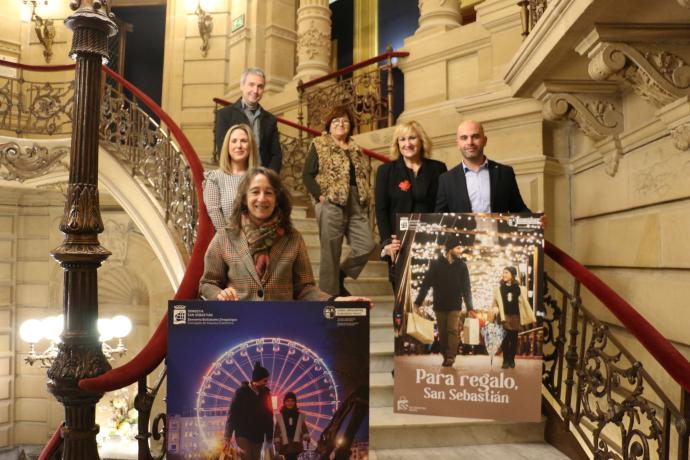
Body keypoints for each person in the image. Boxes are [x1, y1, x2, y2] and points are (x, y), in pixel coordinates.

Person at [199, 167, 372, 305]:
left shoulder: (293, 238)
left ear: (277, 198)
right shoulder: (225, 237)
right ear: (244, 198)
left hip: (281, 330)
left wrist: (334, 300)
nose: (262, 198)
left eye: (269, 192)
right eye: (255, 192)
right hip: (237, 330)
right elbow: (207, 283)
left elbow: (305, 289)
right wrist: (220, 294)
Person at [303, 106, 376, 296]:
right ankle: (329, 299)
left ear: (350, 125)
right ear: (329, 125)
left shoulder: (355, 148)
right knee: (330, 255)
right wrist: (320, 196)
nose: (340, 124)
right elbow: (307, 175)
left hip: (355, 203)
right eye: (336, 121)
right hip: (331, 202)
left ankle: (341, 275)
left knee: (366, 246)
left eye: (345, 121)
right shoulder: (319, 143)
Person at [375, 120, 447, 286]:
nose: (407, 144)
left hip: (430, 241)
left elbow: (442, 206)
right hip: (399, 244)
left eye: (412, 138)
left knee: (430, 295)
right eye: (402, 139)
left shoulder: (438, 169)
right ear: (397, 143)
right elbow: (381, 209)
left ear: (421, 141)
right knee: (403, 300)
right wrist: (386, 243)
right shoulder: (385, 171)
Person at [435, 120, 531, 213]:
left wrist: (536, 220)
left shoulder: (505, 173)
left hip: (496, 230)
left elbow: (519, 209)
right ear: (458, 144)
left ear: (485, 141)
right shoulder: (446, 180)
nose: (470, 142)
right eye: (464, 138)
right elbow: (440, 218)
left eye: (475, 137)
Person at [414, 234, 473, 367]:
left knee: (452, 329)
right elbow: (426, 283)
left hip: (455, 305)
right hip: (439, 305)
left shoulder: (462, 266)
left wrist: (470, 307)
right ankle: (445, 355)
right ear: (450, 249)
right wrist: (418, 301)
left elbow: (466, 287)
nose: (460, 250)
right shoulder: (436, 264)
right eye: (458, 248)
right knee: (442, 332)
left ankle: (451, 356)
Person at [215, 67, 282, 172]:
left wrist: (269, 178)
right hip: (235, 177)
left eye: (260, 86)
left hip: (261, 178)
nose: (255, 90)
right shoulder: (225, 115)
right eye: (251, 85)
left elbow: (276, 155)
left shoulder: (270, 120)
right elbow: (222, 150)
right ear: (242, 86)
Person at [204, 124, 257, 231]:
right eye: (234, 141)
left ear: (251, 145)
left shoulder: (260, 176)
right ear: (227, 146)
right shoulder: (215, 177)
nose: (239, 145)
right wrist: (231, 244)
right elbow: (215, 214)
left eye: (244, 141)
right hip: (229, 241)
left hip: (260, 241)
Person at [223, 362, 273, 460]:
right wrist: (227, 435)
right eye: (265, 380)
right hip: (243, 434)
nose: (266, 383)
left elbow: (269, 416)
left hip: (258, 435)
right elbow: (233, 414)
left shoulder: (266, 394)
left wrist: (269, 437)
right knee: (246, 457)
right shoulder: (241, 393)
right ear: (257, 380)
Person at [492, 267, 536, 369]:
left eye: (506, 273)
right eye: (503, 273)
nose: (504, 275)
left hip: (516, 316)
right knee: (505, 339)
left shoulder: (519, 289)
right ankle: (505, 360)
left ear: (512, 274)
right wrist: (495, 308)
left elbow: (524, 303)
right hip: (504, 316)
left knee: (514, 339)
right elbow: (495, 302)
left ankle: (511, 359)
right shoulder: (499, 289)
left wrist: (528, 315)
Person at [274, 392, 309, 460]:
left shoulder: (299, 416)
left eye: (292, 401)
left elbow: (304, 428)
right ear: (284, 402)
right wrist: (277, 442)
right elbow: (277, 430)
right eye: (288, 401)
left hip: (296, 445)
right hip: (285, 445)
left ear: (295, 402)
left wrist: (306, 436)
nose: (290, 403)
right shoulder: (280, 416)